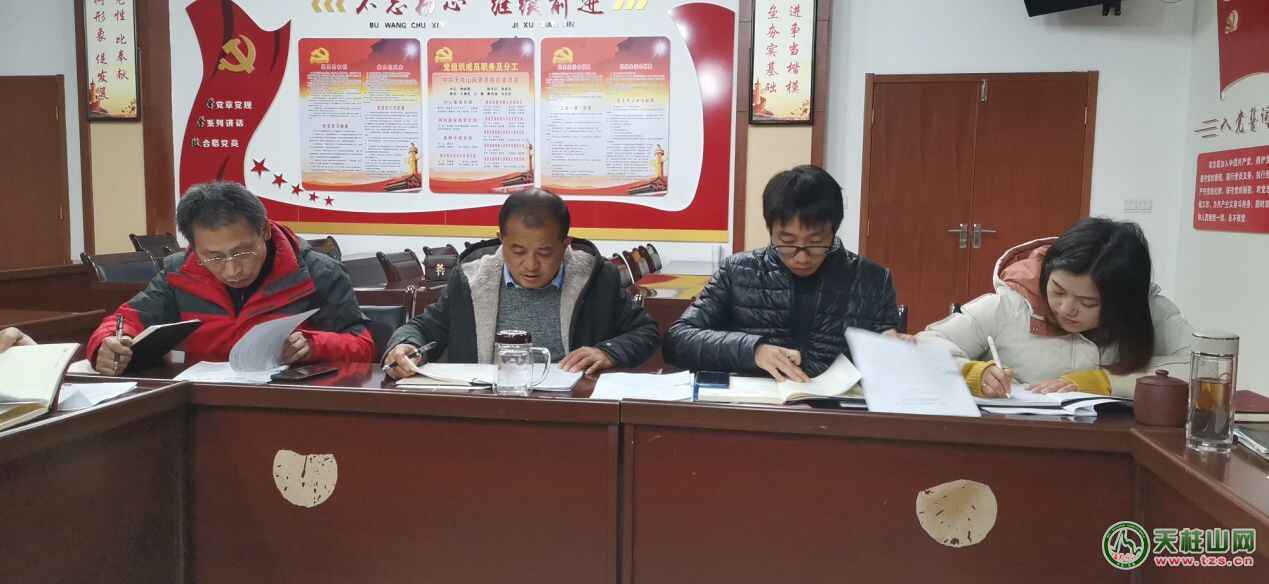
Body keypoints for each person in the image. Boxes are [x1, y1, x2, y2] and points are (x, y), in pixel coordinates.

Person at [86, 181, 374, 375]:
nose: (232, 270)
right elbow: (125, 319)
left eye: (242, 252)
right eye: (213, 257)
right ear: (193, 247)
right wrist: (107, 343)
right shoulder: (179, 273)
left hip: (289, 402)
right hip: (205, 402)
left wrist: (314, 345)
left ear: (265, 231)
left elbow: (363, 346)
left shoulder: (318, 272)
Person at [383, 188, 659, 378]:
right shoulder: (470, 280)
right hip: (486, 412)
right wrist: (405, 346)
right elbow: (422, 328)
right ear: (501, 240)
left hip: (572, 411)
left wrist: (608, 352)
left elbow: (646, 331)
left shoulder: (597, 280)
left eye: (545, 252)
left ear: (565, 245)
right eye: (517, 251)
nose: (530, 265)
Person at [664, 165, 901, 381]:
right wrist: (753, 350)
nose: (801, 257)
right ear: (770, 230)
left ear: (834, 230)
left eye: (815, 243)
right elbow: (677, 340)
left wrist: (898, 350)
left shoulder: (873, 281)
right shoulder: (737, 272)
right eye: (787, 242)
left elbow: (887, 363)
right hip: (755, 405)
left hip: (834, 408)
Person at [918, 217, 1193, 398]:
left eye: (1088, 302)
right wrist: (971, 373)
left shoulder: (1150, 311)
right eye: (1058, 291)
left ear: (1123, 302)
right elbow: (925, 346)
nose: (1066, 308)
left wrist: (1105, 382)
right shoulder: (1008, 306)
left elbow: (1204, 370)